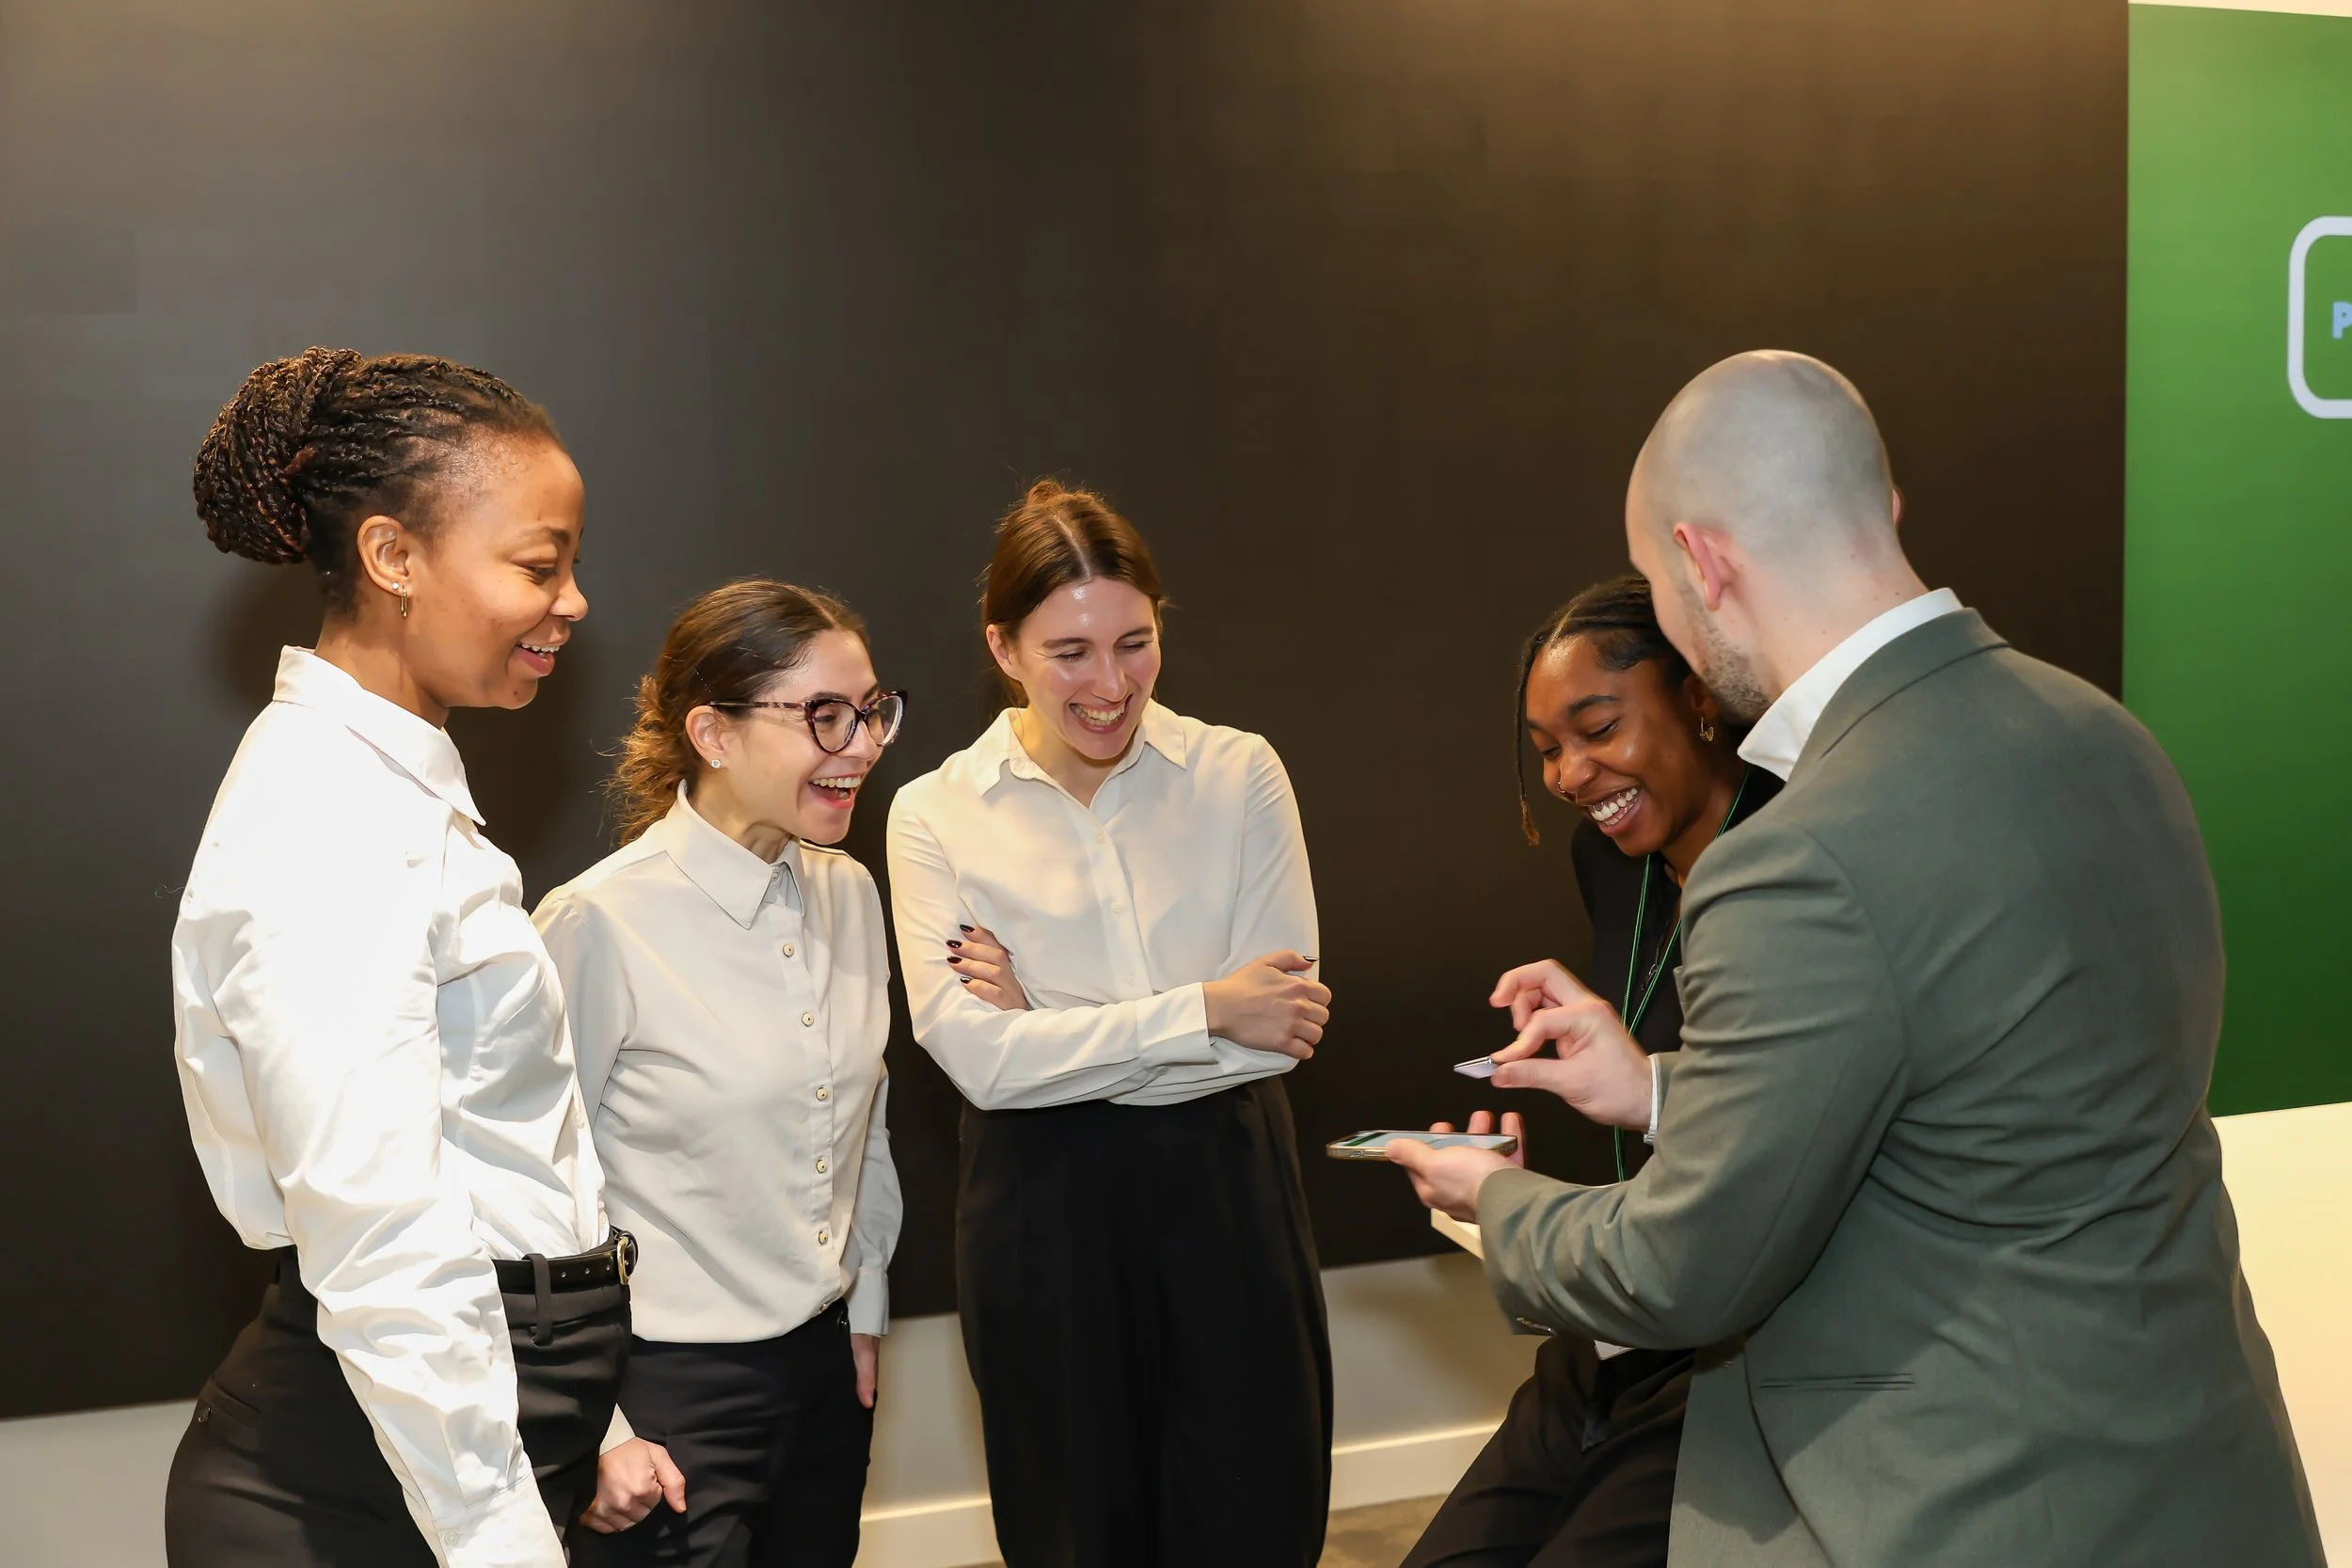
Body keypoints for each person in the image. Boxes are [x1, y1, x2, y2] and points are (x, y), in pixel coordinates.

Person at [1389, 351, 2322, 1566]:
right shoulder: (2111, 737)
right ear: (1881, 509)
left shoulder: (1796, 854)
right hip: (2209, 1483)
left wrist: (1498, 1202)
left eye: (1663, 590)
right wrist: (1662, 1088)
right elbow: (1978, 1100)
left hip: (1968, 1506)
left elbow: (1684, 1265)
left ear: (1705, 565)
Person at [167, 348, 629, 1568]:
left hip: (471, 1427)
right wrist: (498, 1540)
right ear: (393, 556)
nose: (572, 599)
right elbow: (375, 1226)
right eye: (540, 563)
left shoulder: (394, 787)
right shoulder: (327, 809)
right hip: (365, 1486)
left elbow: (501, 1148)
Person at [884, 479, 1334, 1568]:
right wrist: (1203, 1006)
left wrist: (1049, 1015)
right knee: (1074, 1528)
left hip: (1230, 1184)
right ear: (1002, 646)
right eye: (1069, 651)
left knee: (1255, 1514)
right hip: (1041, 1210)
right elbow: (983, 1067)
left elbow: (1278, 1027)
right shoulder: (933, 811)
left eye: (1134, 642)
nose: (1110, 683)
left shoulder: (1239, 773)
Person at [1402, 576, 1778, 1568]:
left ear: (1697, 694)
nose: (1570, 772)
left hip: (1737, 1357)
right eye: (1546, 750)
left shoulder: (1802, 859)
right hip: (1611, 1326)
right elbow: (1648, 1093)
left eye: (1596, 726)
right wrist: (1535, 1151)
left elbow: (1766, 1142)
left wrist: (1518, 1205)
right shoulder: (1609, 858)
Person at [535, 580, 905, 1567]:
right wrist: (597, 1427)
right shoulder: (597, 921)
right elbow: (522, 1184)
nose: (862, 745)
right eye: (825, 716)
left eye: (872, 711)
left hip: (826, 1373)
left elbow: (862, 1128)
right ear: (713, 732)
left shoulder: (851, 892)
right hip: (662, 1399)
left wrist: (861, 1312)